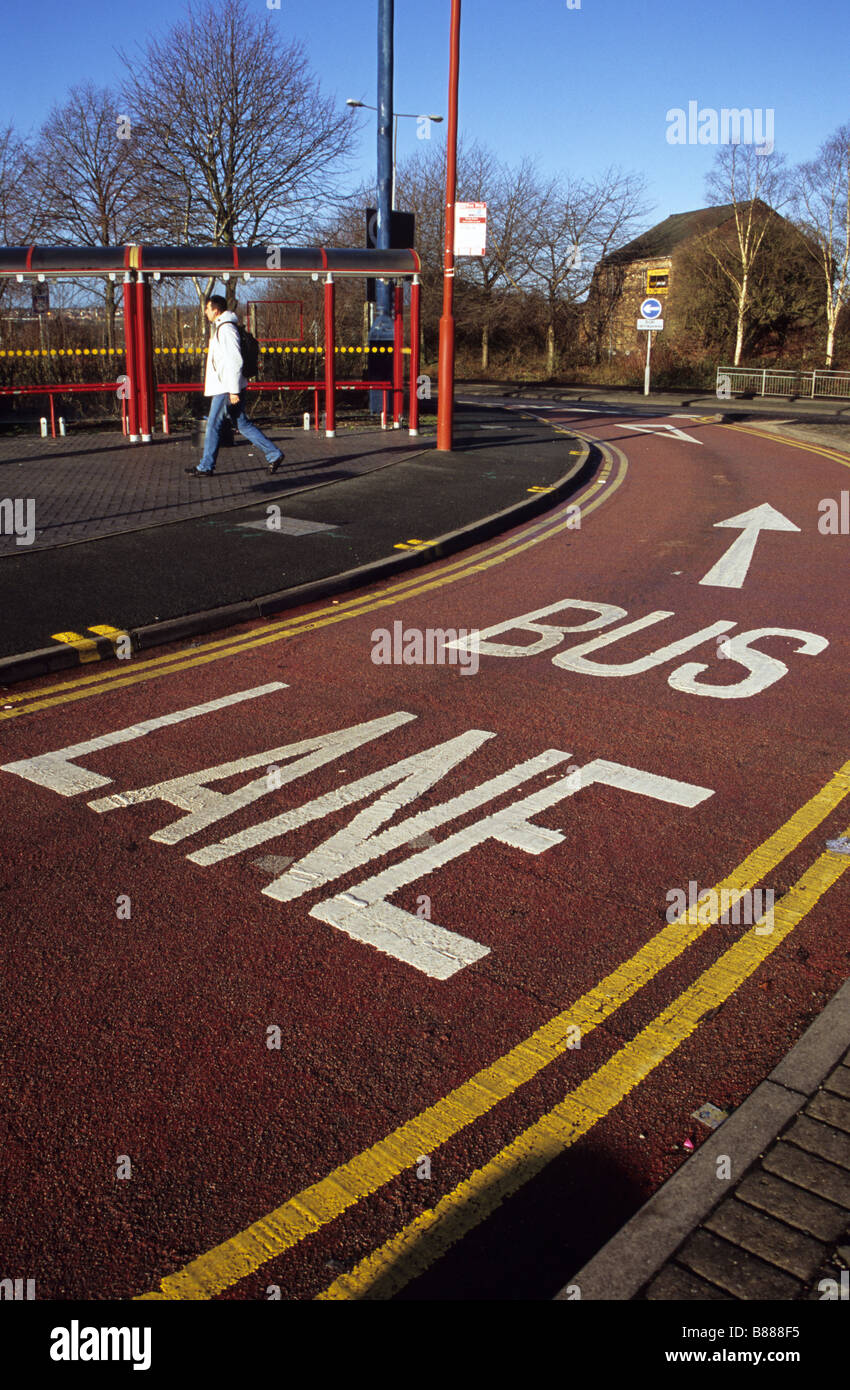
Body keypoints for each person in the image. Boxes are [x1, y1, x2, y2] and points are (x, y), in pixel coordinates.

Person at [186, 294, 284, 477]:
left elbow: (234, 360)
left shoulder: (225, 329)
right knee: (243, 424)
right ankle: (274, 454)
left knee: (213, 425)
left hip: (226, 388)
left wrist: (233, 391)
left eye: (207, 308)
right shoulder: (223, 327)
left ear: (215, 310)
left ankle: (206, 466)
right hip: (230, 386)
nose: (205, 312)